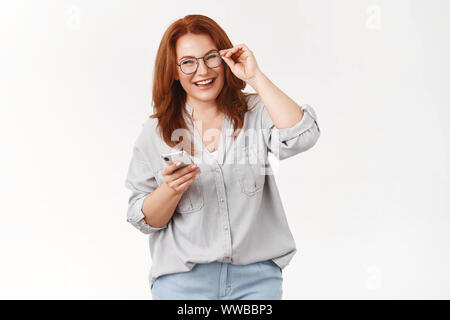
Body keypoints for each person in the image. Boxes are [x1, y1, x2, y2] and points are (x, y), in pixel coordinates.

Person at [124, 14, 321, 300]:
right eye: (188, 62)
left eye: (211, 57)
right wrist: (170, 190)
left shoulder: (256, 111)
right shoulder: (155, 133)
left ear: (225, 58)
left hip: (256, 281)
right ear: (174, 72)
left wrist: (255, 76)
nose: (202, 71)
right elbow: (142, 219)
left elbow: (303, 135)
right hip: (183, 283)